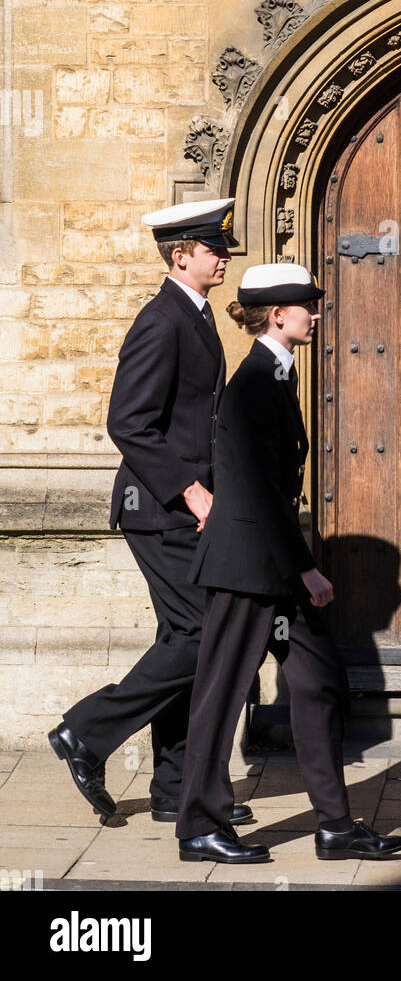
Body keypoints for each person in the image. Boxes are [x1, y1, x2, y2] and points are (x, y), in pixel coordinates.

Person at [175, 262, 401, 864]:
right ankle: (199, 824)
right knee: (222, 693)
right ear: (279, 315)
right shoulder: (253, 383)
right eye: (309, 306)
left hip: (270, 563)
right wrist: (305, 566)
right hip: (246, 566)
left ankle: (334, 825)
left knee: (317, 680)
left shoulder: (276, 374)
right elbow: (255, 488)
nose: (317, 314)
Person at [49, 198, 252, 828]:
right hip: (158, 509)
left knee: (180, 637)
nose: (224, 257)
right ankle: (85, 731)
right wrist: (193, 492)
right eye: (213, 249)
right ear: (180, 255)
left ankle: (174, 786)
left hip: (176, 509)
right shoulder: (162, 320)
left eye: (223, 248)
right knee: (200, 633)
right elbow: (128, 422)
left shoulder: (194, 317)